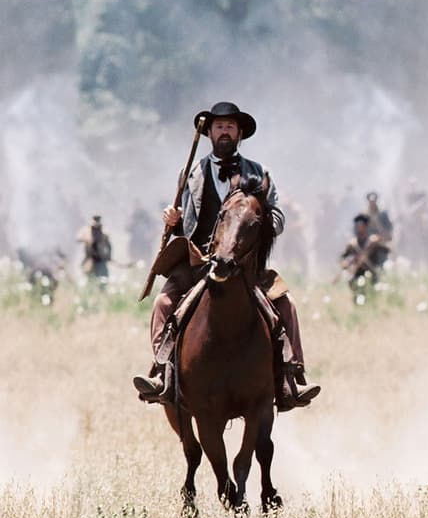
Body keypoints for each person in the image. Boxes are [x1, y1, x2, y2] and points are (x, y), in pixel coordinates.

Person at [132, 102, 320, 410]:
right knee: (163, 304)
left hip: (244, 265)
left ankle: (292, 378)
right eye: (219, 126)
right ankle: (163, 373)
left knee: (287, 305)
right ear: (208, 132)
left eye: (230, 127)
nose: (224, 131)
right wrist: (172, 220)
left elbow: (279, 218)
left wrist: (260, 226)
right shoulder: (189, 173)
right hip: (198, 263)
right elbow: (186, 225)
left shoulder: (259, 174)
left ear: (240, 133)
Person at [338, 213, 390, 287]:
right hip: (357, 275)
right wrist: (348, 261)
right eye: (357, 226)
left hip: (371, 275)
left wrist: (378, 242)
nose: (358, 228)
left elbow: (387, 251)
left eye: (361, 225)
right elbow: (343, 258)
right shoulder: (352, 244)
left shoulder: (372, 241)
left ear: (366, 226)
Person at [77, 215, 112, 285]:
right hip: (90, 259)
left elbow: (109, 246)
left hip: (100, 259)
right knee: (89, 279)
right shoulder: (87, 231)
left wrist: (108, 256)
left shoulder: (104, 232)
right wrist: (87, 239)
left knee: (103, 280)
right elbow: (78, 238)